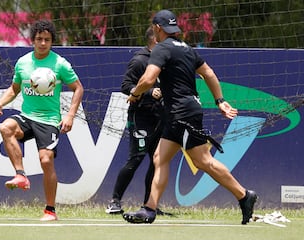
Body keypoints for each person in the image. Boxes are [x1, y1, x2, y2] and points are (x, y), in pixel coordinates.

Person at [122, 10, 257, 225]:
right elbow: (209, 73)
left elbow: (148, 79)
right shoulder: (187, 49)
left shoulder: (161, 48)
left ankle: (244, 195)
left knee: (203, 161)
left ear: (157, 28)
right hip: (183, 111)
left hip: (181, 113)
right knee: (160, 158)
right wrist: (220, 100)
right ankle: (149, 209)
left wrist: (135, 93)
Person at [0, 20, 84, 221]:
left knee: (46, 160)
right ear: (33, 40)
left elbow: (79, 88)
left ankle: (50, 210)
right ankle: (21, 175)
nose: (43, 43)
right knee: (5, 128)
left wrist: (70, 115)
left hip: (49, 120)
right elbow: (15, 89)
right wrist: (1, 103)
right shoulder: (23, 63)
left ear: (52, 41)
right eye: (39, 39)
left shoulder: (60, 64)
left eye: (47, 40)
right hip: (26, 116)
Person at [105, 27, 167, 215]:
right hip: (140, 117)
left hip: (160, 117)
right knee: (136, 158)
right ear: (155, 40)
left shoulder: (166, 61)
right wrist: (148, 92)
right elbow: (126, 86)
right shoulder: (140, 60)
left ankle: (150, 205)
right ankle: (115, 201)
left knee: (157, 161)